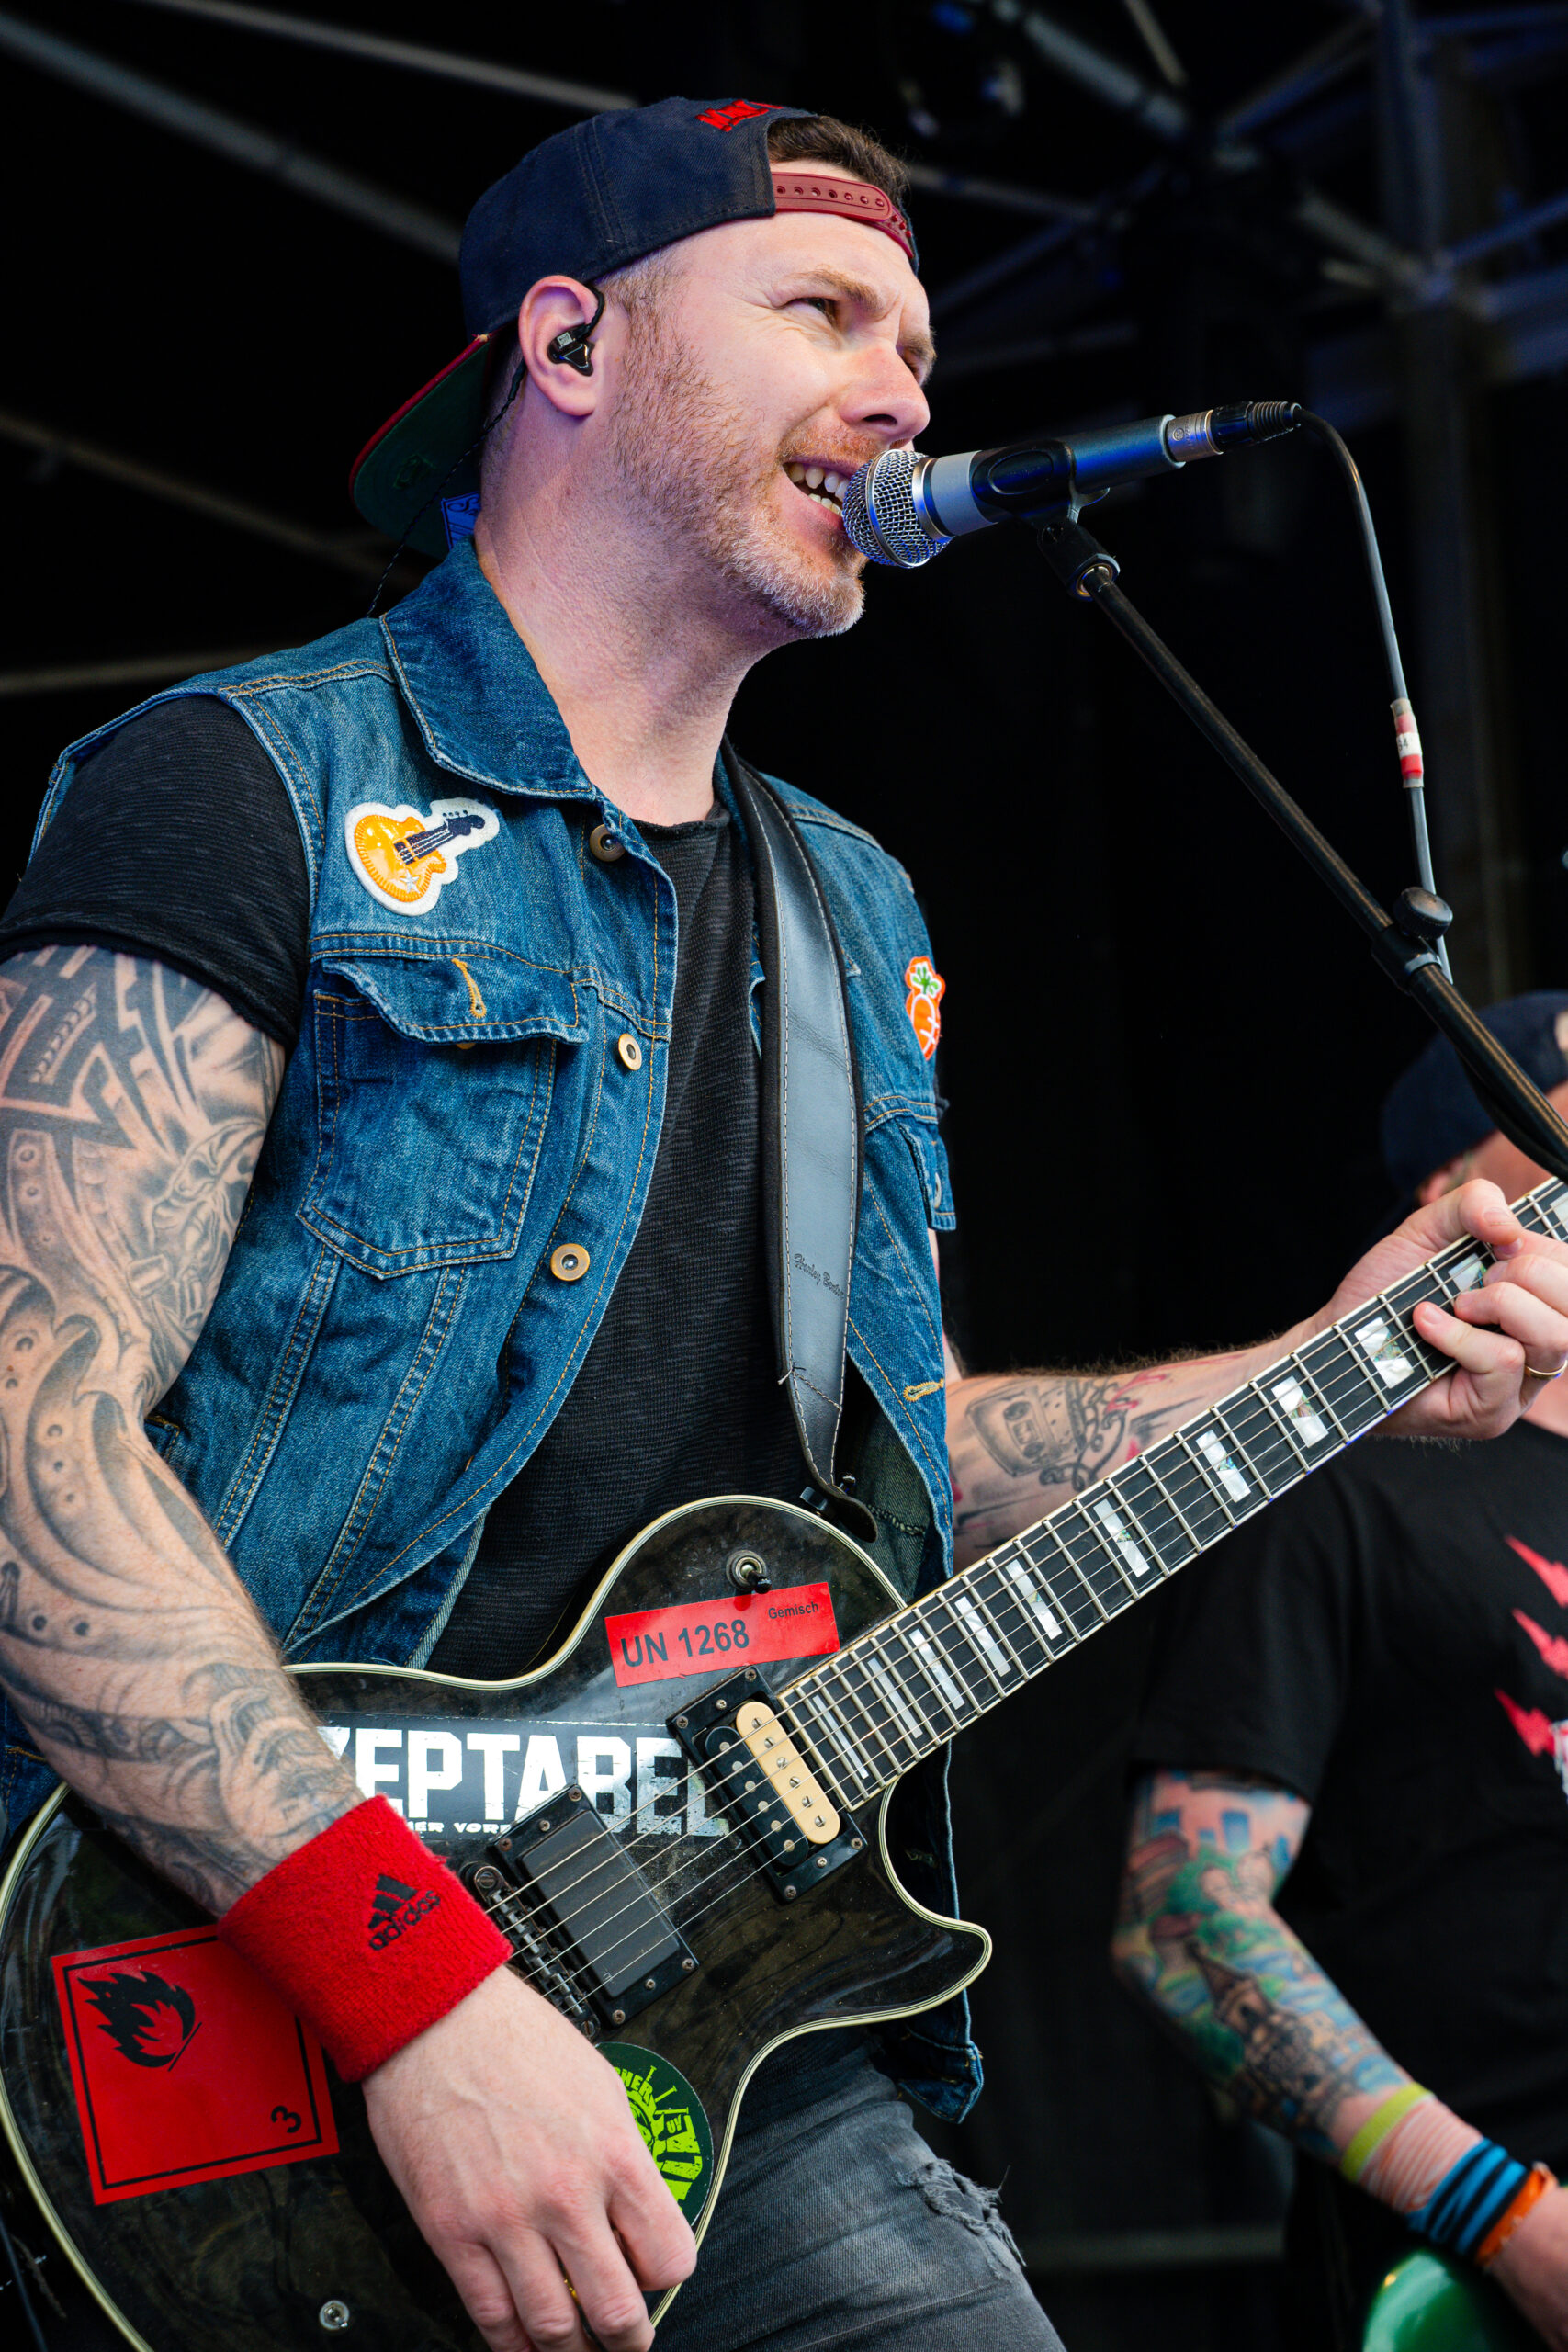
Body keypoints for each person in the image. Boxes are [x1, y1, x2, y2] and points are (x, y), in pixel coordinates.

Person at [2, 95, 1566, 2352]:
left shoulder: (853, 912)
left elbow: (896, 1466)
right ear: (568, 345)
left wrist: (1321, 1371)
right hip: (267, 1985)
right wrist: (417, 1988)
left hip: (741, 2017)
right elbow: (34, 1447)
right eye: (822, 311)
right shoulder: (247, 787)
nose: (904, 392)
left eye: (917, 342)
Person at [1112, 993, 1568, 2352]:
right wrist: (1510, 2220)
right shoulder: (1338, 1472)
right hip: (1467, 2286)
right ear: (1458, 1192)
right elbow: (1184, 1921)